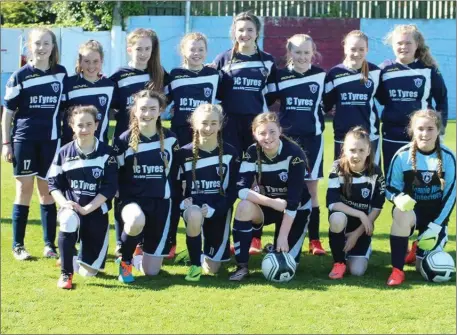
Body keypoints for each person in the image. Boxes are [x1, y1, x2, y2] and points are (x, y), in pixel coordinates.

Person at [212, 11, 277, 254]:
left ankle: (255, 237)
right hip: (229, 129)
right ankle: (224, 237)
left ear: (257, 33)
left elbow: (270, 95)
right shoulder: (223, 59)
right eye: (241, 30)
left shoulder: (267, 61)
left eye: (250, 30)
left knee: (256, 180)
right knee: (228, 182)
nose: (245, 34)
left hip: (256, 130)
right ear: (234, 32)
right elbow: (216, 95)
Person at [2, 27, 67, 260]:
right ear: (29, 46)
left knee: (47, 193)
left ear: (53, 47)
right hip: (24, 140)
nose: (41, 48)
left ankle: (50, 245)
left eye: (46, 43)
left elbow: (66, 109)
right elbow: (8, 113)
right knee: (23, 191)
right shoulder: (19, 76)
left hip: (51, 142)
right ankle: (18, 246)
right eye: (37, 43)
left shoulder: (61, 73)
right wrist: (6, 143)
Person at [230, 111, 311, 281]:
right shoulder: (253, 152)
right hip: (270, 206)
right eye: (262, 133)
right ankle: (242, 266)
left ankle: (274, 245)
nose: (268, 137)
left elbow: (294, 200)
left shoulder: (294, 153)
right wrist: (271, 202)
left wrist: (283, 237)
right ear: (254, 134)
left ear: (280, 131)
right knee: (244, 206)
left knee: (288, 264)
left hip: (296, 210)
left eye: (272, 131)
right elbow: (240, 189)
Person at [109, 28, 168, 257]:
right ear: (129, 48)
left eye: (147, 49)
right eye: (139, 48)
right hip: (126, 141)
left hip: (152, 141)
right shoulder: (118, 76)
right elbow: (111, 108)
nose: (143, 53)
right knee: (122, 190)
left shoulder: (160, 74)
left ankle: (148, 241)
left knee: (149, 187)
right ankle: (120, 240)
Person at [267, 33, 327, 256]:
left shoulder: (321, 76)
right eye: (298, 52)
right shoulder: (280, 76)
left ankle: (315, 240)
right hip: (286, 142)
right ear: (289, 52)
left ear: (313, 53)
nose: (302, 56)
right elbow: (267, 100)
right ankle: (259, 237)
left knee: (311, 190)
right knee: (277, 186)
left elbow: (327, 102)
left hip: (313, 141)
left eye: (306, 52)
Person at [48, 105, 118, 289]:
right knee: (68, 220)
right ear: (72, 126)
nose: (84, 129)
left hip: (95, 212)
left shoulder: (107, 154)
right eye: (80, 125)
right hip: (72, 209)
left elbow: (110, 187)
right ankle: (66, 274)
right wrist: (65, 204)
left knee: (89, 272)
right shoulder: (64, 152)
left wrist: (87, 209)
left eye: (89, 124)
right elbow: (53, 184)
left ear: (97, 125)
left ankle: (70, 255)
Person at [113, 90, 179, 283]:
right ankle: (125, 261)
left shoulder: (170, 139)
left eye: (153, 109)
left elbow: (175, 174)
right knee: (135, 219)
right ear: (135, 110)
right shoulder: (123, 141)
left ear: (160, 111)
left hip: (160, 203)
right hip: (131, 201)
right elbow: (114, 173)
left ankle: (139, 257)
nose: (147, 113)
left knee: (151, 272)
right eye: (143, 109)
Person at [385, 109, 455, 286]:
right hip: (412, 214)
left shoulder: (448, 157)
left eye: (430, 129)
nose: (425, 134)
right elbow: (389, 187)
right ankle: (397, 270)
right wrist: (397, 198)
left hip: (435, 219)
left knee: (422, 268)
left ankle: (418, 248)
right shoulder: (402, 155)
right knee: (401, 213)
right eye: (420, 129)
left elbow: (451, 196)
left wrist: (437, 225)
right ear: (413, 130)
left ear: (438, 130)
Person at [176, 103, 239, 281]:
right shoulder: (183, 154)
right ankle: (195, 266)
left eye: (213, 123)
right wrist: (183, 201)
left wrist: (216, 209)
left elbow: (234, 189)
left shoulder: (230, 153)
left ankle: (193, 252)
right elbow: (174, 184)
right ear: (194, 124)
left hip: (218, 209)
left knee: (213, 269)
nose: (208, 128)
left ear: (220, 125)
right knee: (195, 215)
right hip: (193, 208)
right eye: (203, 123)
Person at [377, 24, 448, 174]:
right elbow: (382, 99)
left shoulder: (429, 69)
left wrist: (440, 128)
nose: (403, 47)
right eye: (399, 43)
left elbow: (441, 99)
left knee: (423, 180)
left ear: (417, 45)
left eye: (408, 43)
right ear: (392, 45)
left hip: (422, 135)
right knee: (394, 181)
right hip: (392, 134)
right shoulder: (383, 70)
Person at [326, 126, 385, 279]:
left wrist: (357, 234)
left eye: (361, 150)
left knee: (357, 272)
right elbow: (333, 203)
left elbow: (377, 207)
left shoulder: (376, 172)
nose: (356, 155)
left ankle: (363, 247)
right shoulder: (337, 167)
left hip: (362, 227)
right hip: (343, 221)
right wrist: (360, 214)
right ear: (344, 150)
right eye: (352, 150)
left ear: (368, 151)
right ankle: (339, 262)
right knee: (337, 218)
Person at [324, 30, 382, 164]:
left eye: (361, 49)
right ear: (344, 48)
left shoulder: (375, 72)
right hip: (342, 136)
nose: (357, 53)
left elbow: (384, 98)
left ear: (367, 49)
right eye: (353, 49)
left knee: (371, 177)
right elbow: (326, 104)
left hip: (369, 136)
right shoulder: (335, 74)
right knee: (342, 177)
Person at [165, 32, 220, 147]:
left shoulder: (214, 74)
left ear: (206, 51)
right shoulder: (175, 74)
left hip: (205, 129)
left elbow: (223, 98)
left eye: (201, 49)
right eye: (192, 49)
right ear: (183, 51)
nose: (196, 53)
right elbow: (165, 100)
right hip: (180, 129)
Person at [61, 40, 115, 145]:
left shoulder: (110, 85)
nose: (91, 66)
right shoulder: (68, 84)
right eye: (86, 61)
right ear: (80, 61)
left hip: (99, 147)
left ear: (101, 61)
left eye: (95, 61)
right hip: (71, 145)